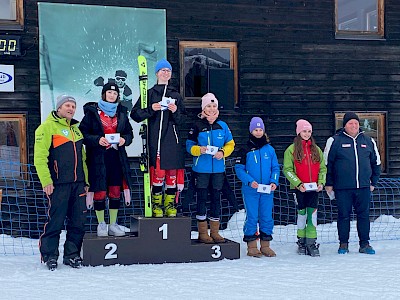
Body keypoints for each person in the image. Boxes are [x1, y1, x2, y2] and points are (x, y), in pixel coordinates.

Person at [34, 95, 88, 270]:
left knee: (77, 222)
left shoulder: (77, 130)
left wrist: (86, 182)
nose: (71, 109)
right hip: (58, 184)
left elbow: (83, 159)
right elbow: (40, 157)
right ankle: (50, 255)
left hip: (78, 184)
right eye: (67, 105)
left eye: (73, 106)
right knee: (55, 221)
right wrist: (46, 181)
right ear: (59, 108)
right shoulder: (47, 127)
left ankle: (72, 255)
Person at [131, 58, 186, 218]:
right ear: (157, 73)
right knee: (158, 174)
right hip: (155, 141)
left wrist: (175, 110)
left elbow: (183, 120)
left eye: (168, 71)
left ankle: (170, 205)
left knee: (171, 175)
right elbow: (135, 115)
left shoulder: (175, 94)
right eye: (163, 70)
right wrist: (151, 109)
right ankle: (156, 205)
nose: (165, 73)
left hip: (172, 141)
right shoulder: (149, 93)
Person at [79, 82, 133, 237]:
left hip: (116, 158)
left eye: (115, 93)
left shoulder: (122, 112)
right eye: (109, 92)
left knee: (115, 191)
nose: (112, 95)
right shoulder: (92, 113)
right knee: (100, 192)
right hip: (98, 159)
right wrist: (97, 140)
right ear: (104, 94)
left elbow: (129, 134)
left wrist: (124, 140)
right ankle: (101, 224)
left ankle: (113, 224)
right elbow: (83, 134)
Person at [324, 112, 381, 254]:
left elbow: (377, 163)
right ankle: (343, 244)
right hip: (343, 187)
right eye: (350, 123)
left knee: (364, 215)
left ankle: (365, 244)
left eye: (356, 123)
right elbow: (327, 164)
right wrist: (329, 183)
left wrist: (373, 182)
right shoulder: (334, 140)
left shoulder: (368, 141)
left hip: (363, 187)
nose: (354, 125)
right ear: (345, 125)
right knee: (343, 215)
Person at [186, 93, 235, 243]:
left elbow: (231, 144)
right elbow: (188, 146)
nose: (212, 109)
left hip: (218, 170)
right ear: (203, 108)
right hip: (201, 169)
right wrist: (198, 150)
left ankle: (215, 232)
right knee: (201, 199)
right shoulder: (197, 125)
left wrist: (222, 152)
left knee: (216, 199)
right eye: (208, 106)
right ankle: (202, 233)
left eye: (214, 106)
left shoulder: (223, 125)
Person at [235, 117, 279, 257]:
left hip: (267, 190)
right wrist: (249, 181)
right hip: (251, 190)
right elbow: (239, 169)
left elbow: (275, 168)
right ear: (251, 130)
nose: (258, 132)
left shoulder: (270, 149)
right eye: (256, 129)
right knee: (252, 216)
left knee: (266, 216)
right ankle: (252, 245)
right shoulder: (245, 149)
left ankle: (265, 245)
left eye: (260, 130)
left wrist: (274, 181)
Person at [283, 119, 326, 257]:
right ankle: (301, 241)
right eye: (304, 131)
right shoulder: (291, 149)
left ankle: (311, 242)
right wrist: (298, 184)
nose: (307, 134)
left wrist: (321, 182)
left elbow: (323, 168)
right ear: (298, 132)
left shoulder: (316, 149)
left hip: (314, 188)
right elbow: (287, 169)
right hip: (299, 189)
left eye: (309, 131)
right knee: (302, 214)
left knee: (312, 215)